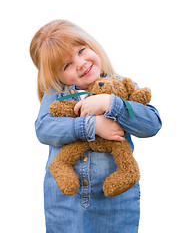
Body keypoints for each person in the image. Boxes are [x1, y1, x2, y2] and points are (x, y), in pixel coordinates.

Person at [30, 20, 162, 233]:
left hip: (115, 203)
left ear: (92, 45)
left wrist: (112, 104)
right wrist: (91, 125)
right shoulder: (57, 94)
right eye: (67, 65)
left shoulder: (121, 87)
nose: (80, 63)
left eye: (81, 51)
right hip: (65, 202)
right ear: (56, 76)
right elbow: (44, 129)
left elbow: (152, 124)